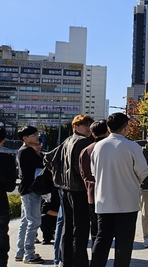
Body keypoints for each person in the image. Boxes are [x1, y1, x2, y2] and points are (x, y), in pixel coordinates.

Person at [90, 113, 148, 267]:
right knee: (124, 244)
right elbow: (143, 172)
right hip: (127, 202)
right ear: (126, 127)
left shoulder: (98, 146)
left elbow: (94, 172)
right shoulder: (132, 146)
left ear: (108, 128)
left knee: (101, 240)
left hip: (104, 202)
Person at [45, 114, 94, 267]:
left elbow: (48, 158)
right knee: (80, 229)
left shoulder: (67, 140)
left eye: (89, 125)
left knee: (67, 226)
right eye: (84, 125)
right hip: (79, 190)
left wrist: (56, 175)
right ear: (75, 126)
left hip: (64, 188)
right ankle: (80, 263)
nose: (88, 128)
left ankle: (66, 261)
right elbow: (82, 169)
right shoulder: (83, 142)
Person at [14, 126, 44, 264]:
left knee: (26, 222)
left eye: (37, 134)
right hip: (31, 190)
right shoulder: (27, 151)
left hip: (26, 189)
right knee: (34, 222)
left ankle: (21, 252)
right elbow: (42, 163)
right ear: (25, 138)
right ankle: (29, 254)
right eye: (33, 135)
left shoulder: (23, 150)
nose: (37, 136)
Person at [78, 119, 109, 249]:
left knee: (96, 229)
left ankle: (96, 255)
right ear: (108, 131)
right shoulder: (111, 148)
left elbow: (83, 173)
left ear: (93, 134)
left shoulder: (86, 150)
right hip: (110, 193)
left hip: (91, 192)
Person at [0, 128, 16, 267]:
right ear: (3, 141)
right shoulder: (6, 160)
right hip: (0, 205)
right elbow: (10, 187)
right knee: (1, 246)